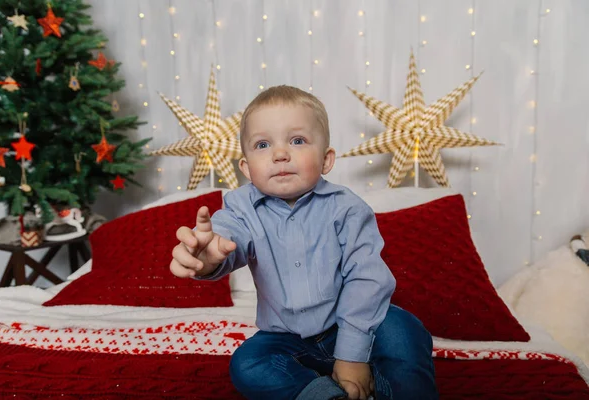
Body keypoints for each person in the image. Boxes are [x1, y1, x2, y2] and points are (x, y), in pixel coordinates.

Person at [170, 85, 437, 400]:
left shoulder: (347, 208)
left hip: (349, 323)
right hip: (286, 338)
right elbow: (229, 236)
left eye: (297, 141)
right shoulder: (241, 206)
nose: (280, 153)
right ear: (246, 168)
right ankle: (325, 394)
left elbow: (367, 280)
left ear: (326, 160)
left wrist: (352, 355)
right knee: (248, 363)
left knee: (405, 332)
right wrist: (210, 254)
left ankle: (387, 387)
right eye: (263, 144)